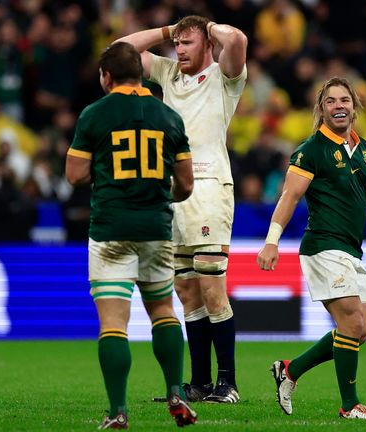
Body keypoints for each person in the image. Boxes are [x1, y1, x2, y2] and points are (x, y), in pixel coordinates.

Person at [257, 77, 366, 420]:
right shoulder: (311, 150)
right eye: (331, 101)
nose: (339, 106)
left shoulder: (364, 150)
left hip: (351, 249)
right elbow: (290, 196)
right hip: (323, 246)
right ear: (321, 108)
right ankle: (350, 405)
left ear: (354, 106)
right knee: (351, 321)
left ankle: (289, 370)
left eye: (344, 100)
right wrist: (271, 241)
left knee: (358, 331)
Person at [116, 16, 248, 403]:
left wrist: (208, 27)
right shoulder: (169, 72)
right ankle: (200, 382)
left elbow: (236, 38)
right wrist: (165, 31)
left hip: (209, 188)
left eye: (188, 43)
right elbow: (122, 51)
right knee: (187, 290)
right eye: (178, 44)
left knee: (211, 287)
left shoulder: (225, 77)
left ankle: (229, 383)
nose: (181, 50)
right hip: (174, 190)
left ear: (207, 44)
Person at [65, 41, 196, 429]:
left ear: (106, 77)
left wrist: (104, 172)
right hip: (156, 226)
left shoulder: (95, 114)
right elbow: (186, 185)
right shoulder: (169, 117)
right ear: (140, 73)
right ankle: (175, 391)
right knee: (163, 311)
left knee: (113, 324)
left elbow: (74, 175)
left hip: (111, 228)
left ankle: (118, 411)